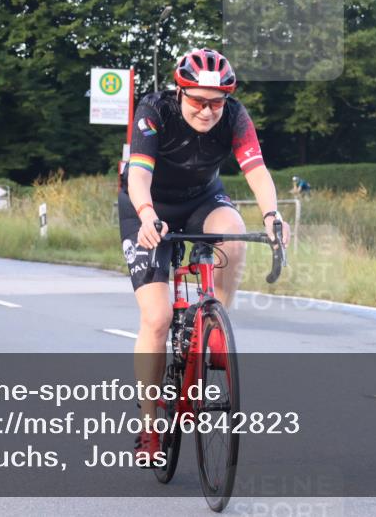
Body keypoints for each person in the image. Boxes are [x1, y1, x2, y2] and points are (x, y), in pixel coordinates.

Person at [119, 47, 289, 463]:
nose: (208, 111)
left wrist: (271, 214)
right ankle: (148, 426)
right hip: (148, 205)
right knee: (157, 319)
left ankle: (214, 325)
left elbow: (256, 170)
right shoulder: (154, 110)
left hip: (201, 199)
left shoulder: (234, 116)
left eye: (217, 102)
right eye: (198, 100)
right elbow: (139, 175)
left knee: (231, 231)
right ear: (181, 93)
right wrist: (146, 215)